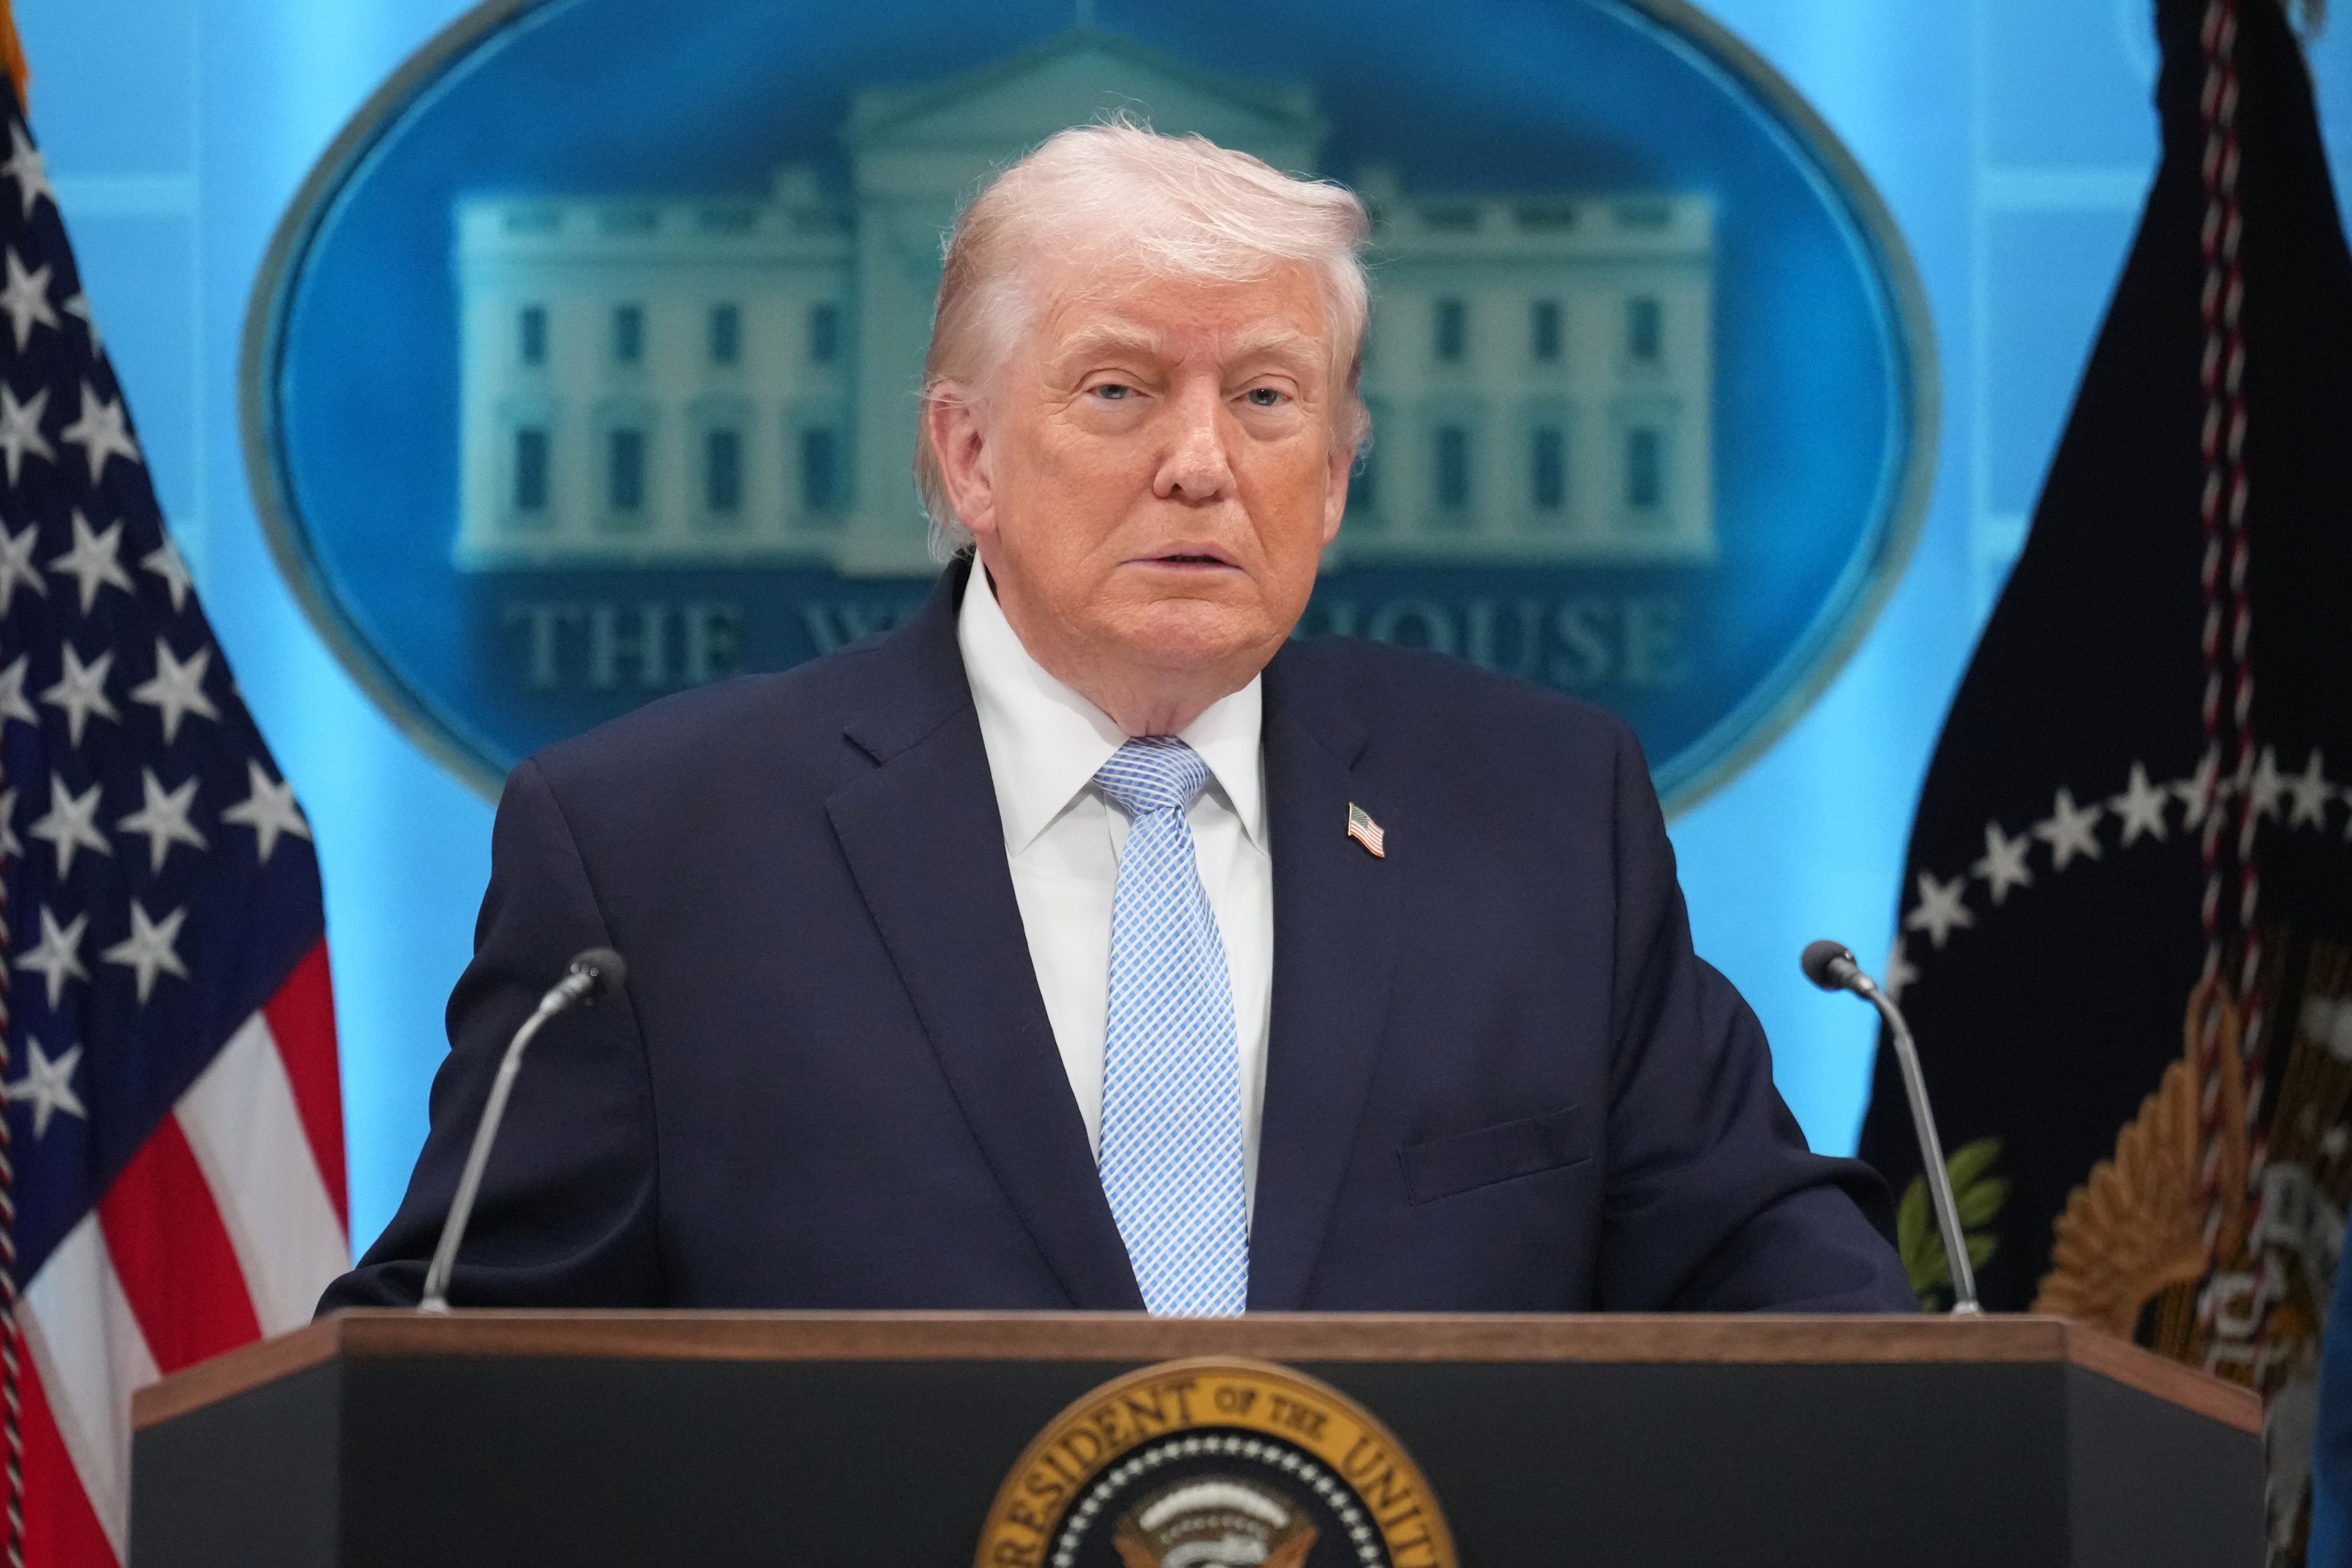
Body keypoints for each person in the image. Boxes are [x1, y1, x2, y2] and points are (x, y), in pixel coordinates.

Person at [323, 123, 1911, 1316]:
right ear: (967, 459)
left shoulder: (1547, 813)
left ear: (1340, 471)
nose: (1204, 463)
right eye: (1119, 390)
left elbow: (1770, 1279)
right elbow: (453, 1366)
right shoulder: (655, 851)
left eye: (1269, 398)